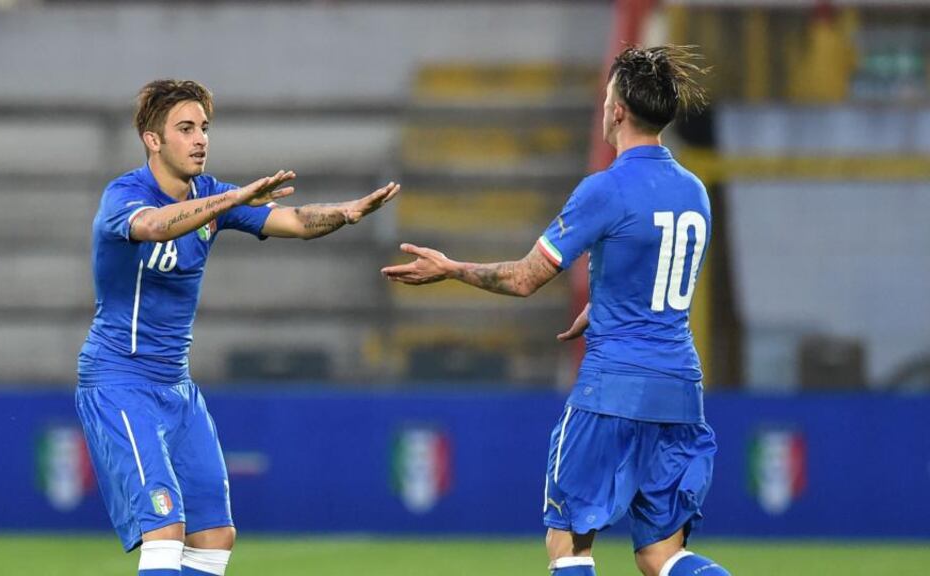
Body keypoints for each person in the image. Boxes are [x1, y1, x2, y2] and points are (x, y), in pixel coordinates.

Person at [382, 46, 731, 576]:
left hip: (612, 388)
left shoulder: (606, 189)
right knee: (662, 555)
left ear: (617, 110)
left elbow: (525, 279)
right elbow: (659, 278)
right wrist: (605, 303)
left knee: (568, 544)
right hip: (680, 390)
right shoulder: (694, 191)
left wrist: (452, 268)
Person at [75, 78, 399, 576]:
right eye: (185, 128)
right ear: (153, 139)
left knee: (214, 534)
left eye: (204, 127)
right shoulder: (124, 195)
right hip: (120, 382)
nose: (201, 138)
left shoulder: (213, 195)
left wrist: (347, 213)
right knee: (163, 530)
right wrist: (230, 202)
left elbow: (292, 220)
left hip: (176, 388)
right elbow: (157, 226)